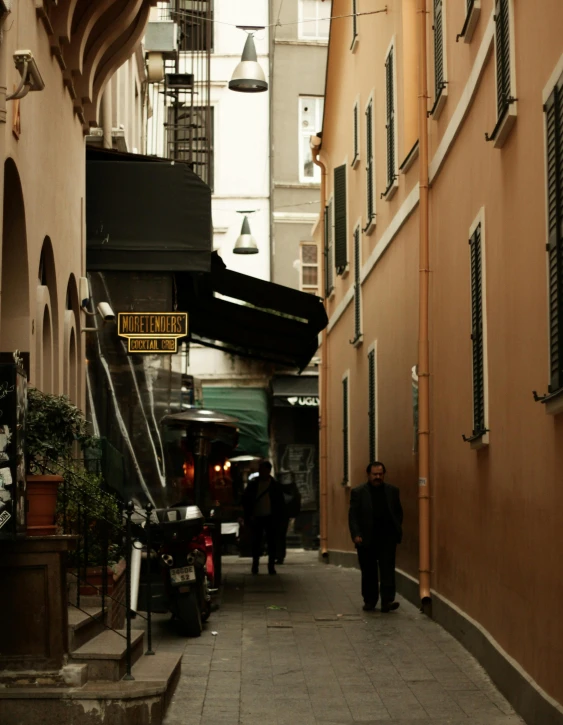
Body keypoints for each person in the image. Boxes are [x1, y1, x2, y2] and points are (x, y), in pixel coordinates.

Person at [348, 461, 403, 612]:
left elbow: (398, 512)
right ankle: (370, 600)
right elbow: (353, 515)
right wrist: (356, 534)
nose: (378, 477)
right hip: (366, 538)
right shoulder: (358, 492)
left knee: (387, 570)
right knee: (368, 571)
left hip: (387, 537)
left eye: (380, 474)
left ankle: (387, 601)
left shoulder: (392, 491)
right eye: (375, 474)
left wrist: (395, 529)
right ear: (368, 475)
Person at [242, 460, 286, 575]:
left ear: (268, 471)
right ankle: (255, 565)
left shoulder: (275, 485)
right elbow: (246, 500)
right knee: (256, 542)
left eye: (264, 470)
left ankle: (271, 566)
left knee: (272, 542)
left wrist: (279, 517)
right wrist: (248, 515)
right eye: (260, 470)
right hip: (256, 516)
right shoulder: (253, 484)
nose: (262, 472)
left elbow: (280, 503)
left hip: (271, 517)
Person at [276, 475, 301, 564]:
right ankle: (279, 555)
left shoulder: (277, 489)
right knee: (281, 536)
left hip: (278, 515)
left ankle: (278, 555)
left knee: (278, 536)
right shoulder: (291, 490)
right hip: (283, 515)